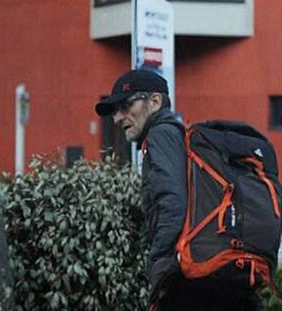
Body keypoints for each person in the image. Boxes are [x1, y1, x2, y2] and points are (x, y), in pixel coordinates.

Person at [95, 69, 260, 311]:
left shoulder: (160, 135)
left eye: (125, 105)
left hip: (192, 283)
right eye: (114, 110)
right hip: (217, 277)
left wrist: (157, 263)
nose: (117, 118)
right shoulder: (177, 135)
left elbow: (172, 202)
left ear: (155, 102)